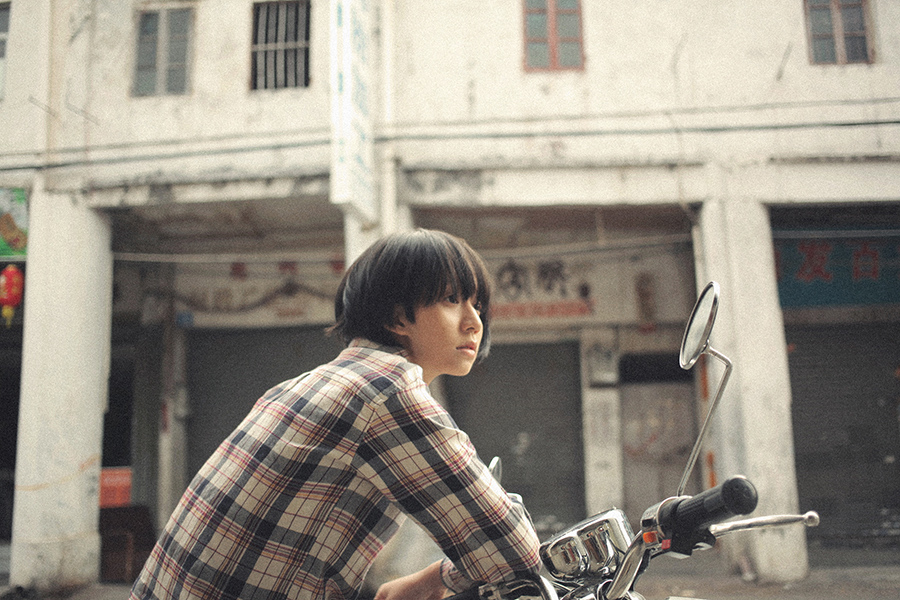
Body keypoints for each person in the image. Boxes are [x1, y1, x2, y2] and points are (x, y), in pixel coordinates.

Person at [130, 229, 542, 600]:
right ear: (398, 317)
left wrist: (424, 580)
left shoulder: (302, 385)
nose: (474, 322)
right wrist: (436, 578)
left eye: (477, 305)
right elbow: (513, 551)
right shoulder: (388, 392)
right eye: (452, 300)